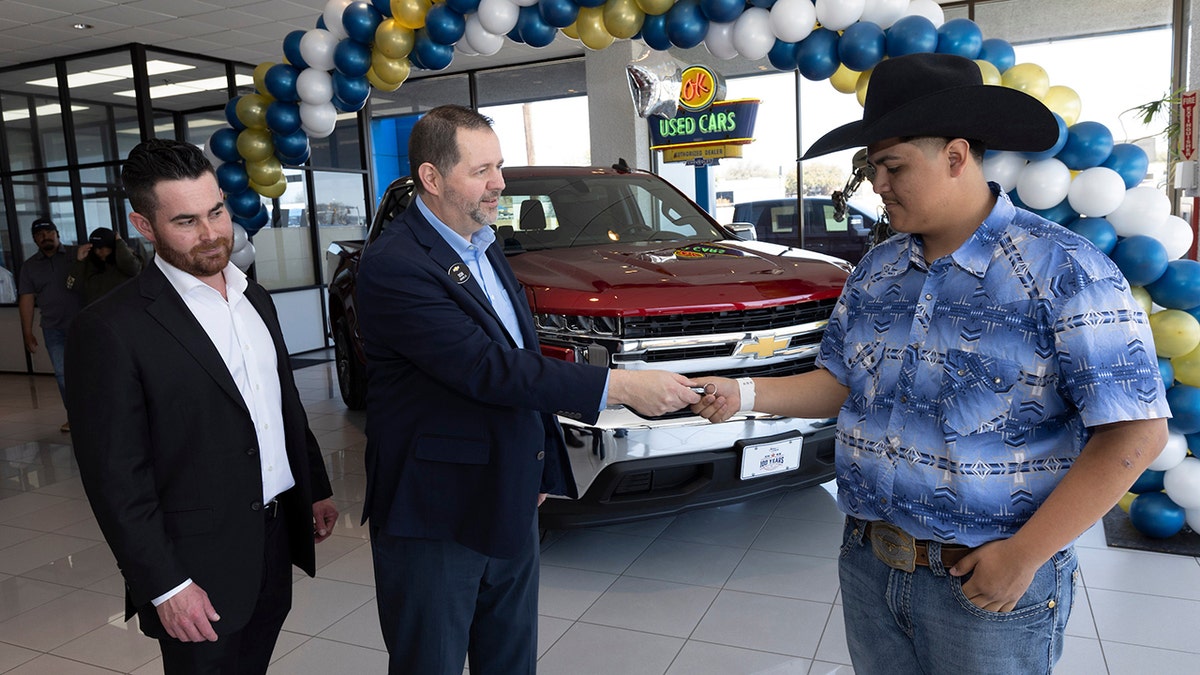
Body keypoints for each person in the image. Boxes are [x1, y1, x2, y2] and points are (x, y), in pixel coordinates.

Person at [691, 53, 1169, 675]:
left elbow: (1135, 430)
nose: (878, 185)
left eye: (892, 166)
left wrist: (1025, 555)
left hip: (988, 574)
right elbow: (840, 383)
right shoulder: (877, 270)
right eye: (870, 169)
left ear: (956, 155)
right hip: (869, 562)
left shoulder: (1062, 269)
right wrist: (745, 393)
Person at [356, 105, 701, 675]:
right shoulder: (395, 264)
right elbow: (486, 369)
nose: (499, 182)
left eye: (500, 166)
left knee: (510, 658)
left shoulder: (485, 242)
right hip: (437, 509)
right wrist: (621, 387)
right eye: (482, 170)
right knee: (430, 661)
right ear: (432, 179)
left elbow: (523, 355)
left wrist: (537, 463)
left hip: (509, 490)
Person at [65, 138, 339, 675]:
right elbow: (116, 478)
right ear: (144, 226)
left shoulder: (253, 297)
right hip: (193, 564)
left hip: (273, 536)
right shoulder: (109, 329)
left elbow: (280, 406)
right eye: (186, 221)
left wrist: (315, 487)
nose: (212, 233)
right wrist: (165, 585)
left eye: (216, 211)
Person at [17, 217, 81, 431]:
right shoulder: (29, 267)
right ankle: (75, 416)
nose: (45, 237)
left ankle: (98, 413)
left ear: (57, 233)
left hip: (84, 326)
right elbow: (26, 299)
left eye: (48, 232)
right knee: (63, 375)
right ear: (35, 240)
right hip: (53, 329)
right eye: (39, 234)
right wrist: (27, 332)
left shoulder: (76, 255)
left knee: (92, 371)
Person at [66, 226, 142, 305]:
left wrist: (120, 243)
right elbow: (71, 285)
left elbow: (133, 269)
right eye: (94, 248)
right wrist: (79, 262)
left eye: (101, 247)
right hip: (98, 312)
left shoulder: (124, 260)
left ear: (112, 247)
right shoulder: (89, 263)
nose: (98, 251)